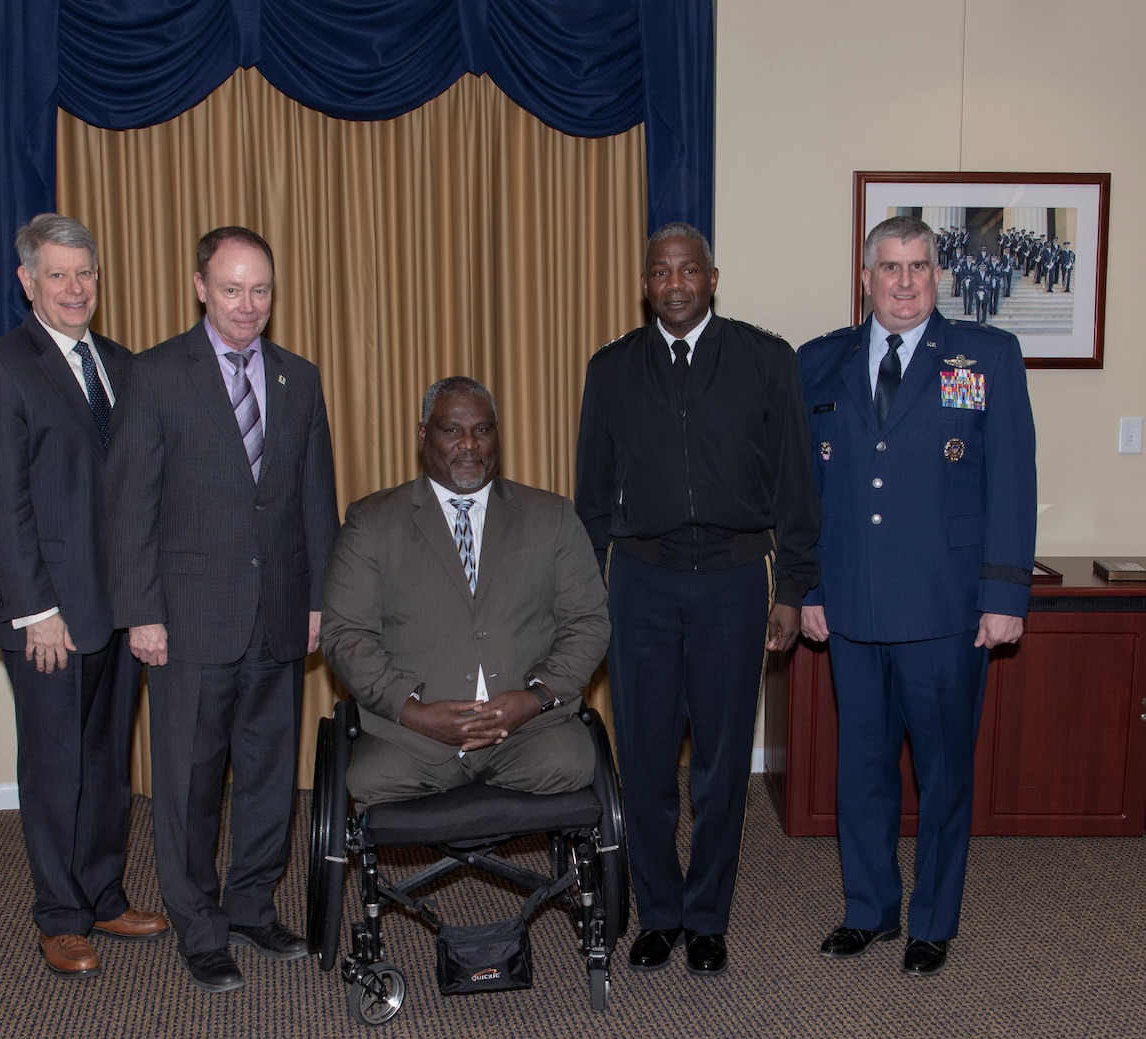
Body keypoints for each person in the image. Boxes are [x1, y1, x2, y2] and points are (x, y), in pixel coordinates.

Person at [575, 221, 819, 977]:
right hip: (640, 585)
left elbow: (796, 486)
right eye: (660, 272)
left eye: (689, 270)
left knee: (719, 764)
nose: (674, 283)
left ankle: (708, 917)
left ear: (713, 279)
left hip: (734, 582)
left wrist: (794, 587)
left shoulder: (765, 359)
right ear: (645, 284)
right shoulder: (611, 368)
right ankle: (660, 914)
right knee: (644, 759)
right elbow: (589, 496)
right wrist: (587, 597)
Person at [798, 215, 1036, 977]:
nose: (904, 282)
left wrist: (1005, 593)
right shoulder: (820, 362)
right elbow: (804, 491)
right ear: (865, 277)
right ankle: (868, 909)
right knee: (860, 771)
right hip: (854, 607)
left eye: (919, 267)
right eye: (890, 267)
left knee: (942, 775)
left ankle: (933, 920)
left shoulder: (987, 356)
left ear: (940, 275)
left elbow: (1011, 482)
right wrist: (806, 586)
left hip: (947, 608)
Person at [105, 225, 339, 994]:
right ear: (201, 287)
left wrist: (316, 602)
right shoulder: (156, 374)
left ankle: (250, 906)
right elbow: (130, 502)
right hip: (187, 620)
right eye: (233, 288)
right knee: (188, 784)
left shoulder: (298, 380)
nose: (249, 305)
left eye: (261, 289)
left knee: (271, 777)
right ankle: (199, 928)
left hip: (277, 617)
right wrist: (140, 610)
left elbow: (313, 501)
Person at [0, 213, 168, 979]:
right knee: (56, 768)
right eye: (58, 275)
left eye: (86, 274)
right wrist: (33, 609)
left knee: (108, 762)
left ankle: (103, 895)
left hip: (118, 608)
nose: (75, 288)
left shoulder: (121, 363)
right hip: (47, 615)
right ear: (27, 281)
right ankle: (59, 917)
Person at [321, 376, 609, 806]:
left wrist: (534, 699)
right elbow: (345, 635)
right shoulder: (372, 521)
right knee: (371, 780)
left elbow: (588, 622)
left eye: (482, 430)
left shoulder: (552, 516)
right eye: (451, 430)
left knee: (570, 765)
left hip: (528, 733)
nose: (469, 444)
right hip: (413, 738)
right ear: (424, 435)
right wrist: (414, 712)